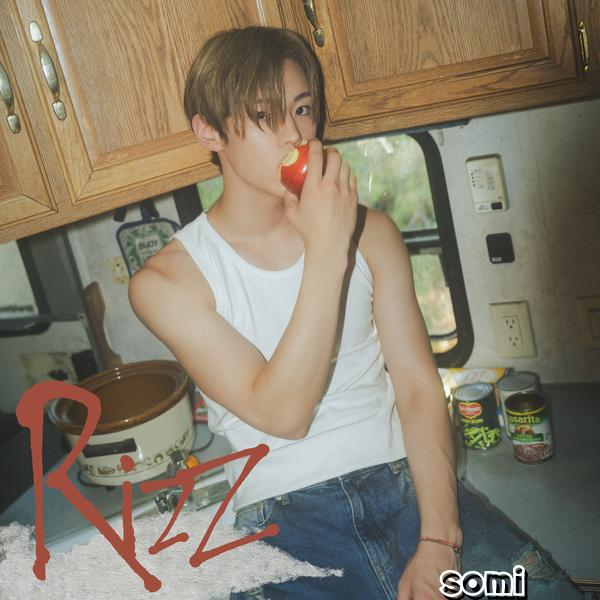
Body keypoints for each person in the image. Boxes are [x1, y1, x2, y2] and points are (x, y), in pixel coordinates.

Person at [129, 26, 585, 600]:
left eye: (302, 109)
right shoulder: (167, 282)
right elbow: (284, 413)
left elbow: (417, 389)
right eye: (265, 114)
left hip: (408, 489)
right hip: (280, 525)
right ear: (209, 131)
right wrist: (326, 248)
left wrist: (439, 540)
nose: (295, 135)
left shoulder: (374, 234)